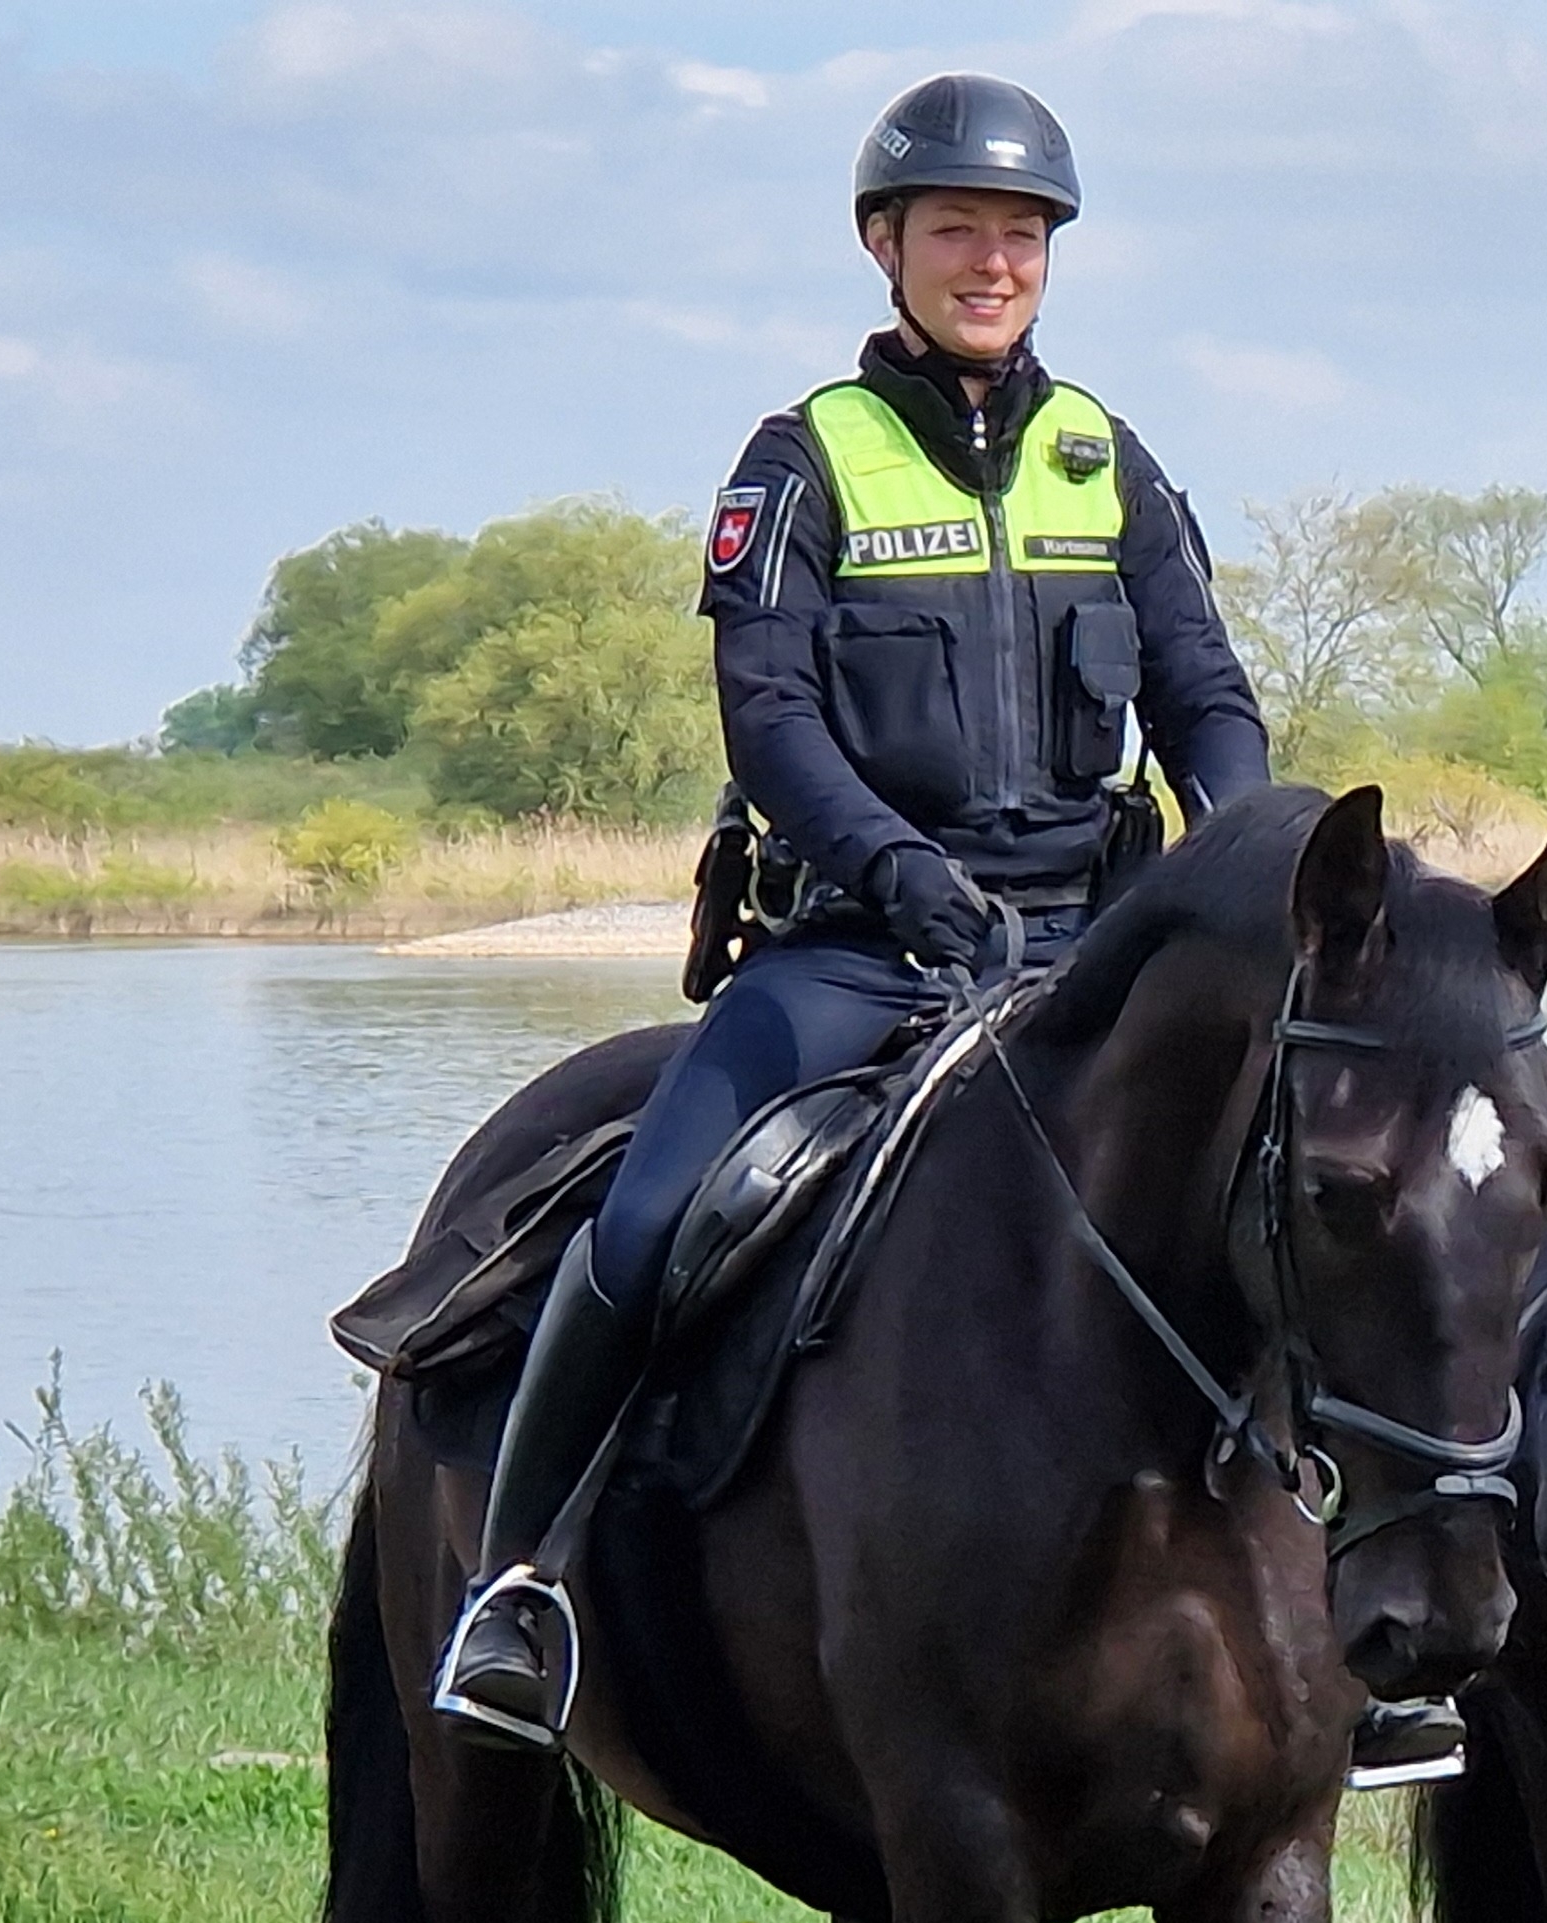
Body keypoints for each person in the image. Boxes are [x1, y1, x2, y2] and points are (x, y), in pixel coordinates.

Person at [432, 72, 1270, 1750]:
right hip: (863, 946)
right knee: (649, 1225)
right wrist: (903, 877)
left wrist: (1244, 864)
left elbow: (1205, 696)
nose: (993, 261)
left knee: (1308, 1202)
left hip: (1089, 950)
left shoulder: (1111, 463)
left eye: (1022, 233)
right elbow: (773, 720)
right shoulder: (802, 460)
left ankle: (1338, 1619)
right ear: (885, 245)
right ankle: (520, 1588)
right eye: (958, 229)